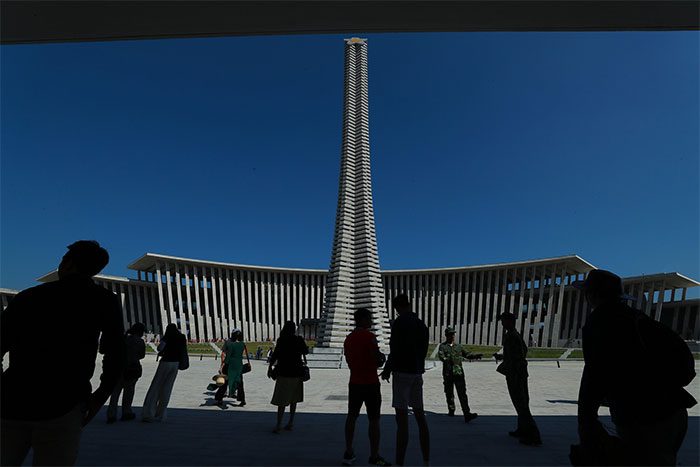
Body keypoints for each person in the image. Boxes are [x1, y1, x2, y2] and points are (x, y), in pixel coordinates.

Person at [1, 240, 126, 466]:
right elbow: (116, 353)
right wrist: (100, 397)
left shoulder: (28, 297)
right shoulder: (103, 300)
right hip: (65, 404)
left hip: (13, 400)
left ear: (68, 264)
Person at [575, 269, 696, 466]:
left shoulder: (600, 322)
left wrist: (586, 420)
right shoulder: (636, 317)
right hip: (674, 411)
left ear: (593, 295)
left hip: (644, 417)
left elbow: (595, 374)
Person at [380, 294, 430, 466]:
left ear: (397, 307)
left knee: (402, 422)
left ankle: (400, 462)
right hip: (417, 373)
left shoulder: (399, 323)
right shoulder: (421, 324)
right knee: (420, 418)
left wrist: (387, 369)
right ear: (409, 304)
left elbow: (395, 349)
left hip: (402, 374)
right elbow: (424, 350)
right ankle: (426, 461)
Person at [342, 308, 391, 466]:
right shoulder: (370, 337)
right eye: (369, 318)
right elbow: (378, 359)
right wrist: (382, 358)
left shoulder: (348, 339)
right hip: (370, 383)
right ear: (362, 320)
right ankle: (374, 455)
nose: (370, 322)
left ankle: (349, 452)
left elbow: (349, 360)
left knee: (351, 417)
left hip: (354, 382)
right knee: (374, 420)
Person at [494, 312, 542, 446]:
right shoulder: (513, 334)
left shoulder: (512, 335)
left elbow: (519, 356)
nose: (502, 323)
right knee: (519, 403)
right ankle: (522, 429)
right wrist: (503, 358)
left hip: (516, 375)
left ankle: (534, 436)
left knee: (522, 404)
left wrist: (513, 366)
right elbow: (522, 351)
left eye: (503, 320)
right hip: (516, 373)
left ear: (509, 321)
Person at [141, 323, 188, 422]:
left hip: (166, 362)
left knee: (156, 386)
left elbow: (160, 348)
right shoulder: (181, 337)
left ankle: (149, 413)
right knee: (167, 388)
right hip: (176, 364)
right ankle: (161, 414)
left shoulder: (168, 336)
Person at [268, 320, 309, 433]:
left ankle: (278, 424)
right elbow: (306, 352)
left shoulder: (281, 340)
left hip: (284, 372)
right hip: (296, 373)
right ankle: (290, 422)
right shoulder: (299, 339)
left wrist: (270, 367)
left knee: (281, 400)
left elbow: (275, 355)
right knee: (293, 399)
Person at [107, 322, 146, 423]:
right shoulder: (140, 342)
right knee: (129, 392)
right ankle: (126, 412)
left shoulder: (124, 339)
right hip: (133, 369)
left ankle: (111, 414)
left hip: (120, 368)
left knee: (115, 392)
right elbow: (142, 355)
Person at [437, 327, 478, 422]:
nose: (452, 336)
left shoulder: (459, 346)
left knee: (462, 393)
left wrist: (474, 356)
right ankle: (451, 410)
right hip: (448, 374)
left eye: (453, 334)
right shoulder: (443, 346)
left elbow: (467, 354)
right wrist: (447, 359)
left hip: (459, 373)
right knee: (449, 392)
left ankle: (467, 413)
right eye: (450, 334)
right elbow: (441, 356)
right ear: (446, 335)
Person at [215, 330, 247, 407]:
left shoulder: (231, 344)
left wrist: (221, 367)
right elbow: (243, 353)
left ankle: (219, 400)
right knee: (240, 383)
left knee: (224, 383)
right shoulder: (243, 344)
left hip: (230, 366)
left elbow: (227, 357)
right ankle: (242, 400)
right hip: (239, 366)